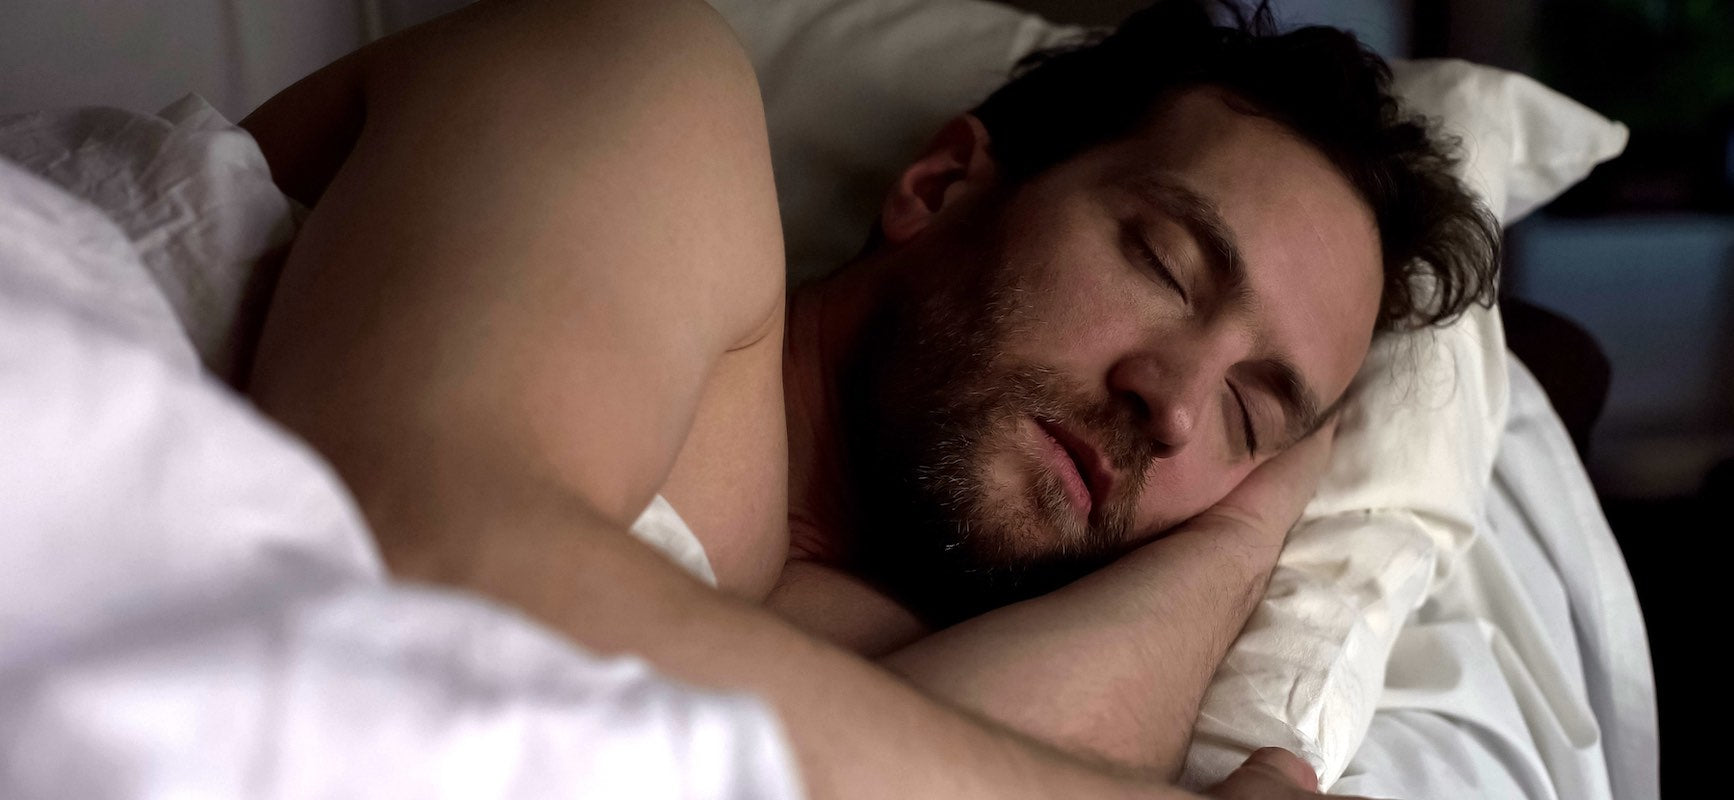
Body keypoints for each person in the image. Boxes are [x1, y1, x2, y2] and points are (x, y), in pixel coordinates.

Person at [238, 0, 1497, 797]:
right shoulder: (653, 94)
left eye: (1249, 415)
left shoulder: (859, 642)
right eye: (1165, 262)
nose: (1174, 406)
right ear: (945, 183)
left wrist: (1240, 536)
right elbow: (412, 557)